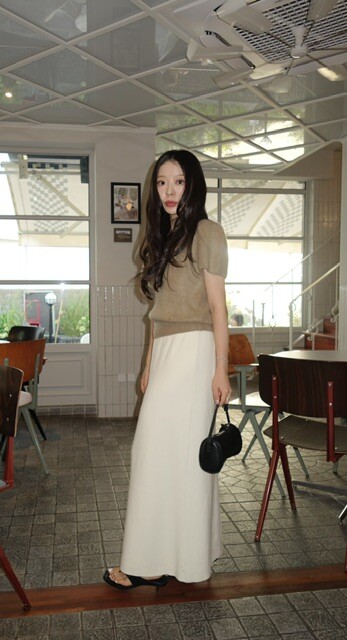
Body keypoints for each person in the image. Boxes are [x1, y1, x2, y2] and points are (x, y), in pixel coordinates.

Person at [103, 150, 231, 590]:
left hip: (195, 352)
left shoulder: (207, 232)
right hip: (166, 354)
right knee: (161, 454)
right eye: (162, 182)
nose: (169, 190)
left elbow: (218, 308)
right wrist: (147, 364)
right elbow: (158, 313)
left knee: (169, 454)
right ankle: (170, 558)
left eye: (178, 181)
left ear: (192, 184)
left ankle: (158, 562)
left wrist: (221, 368)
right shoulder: (163, 235)